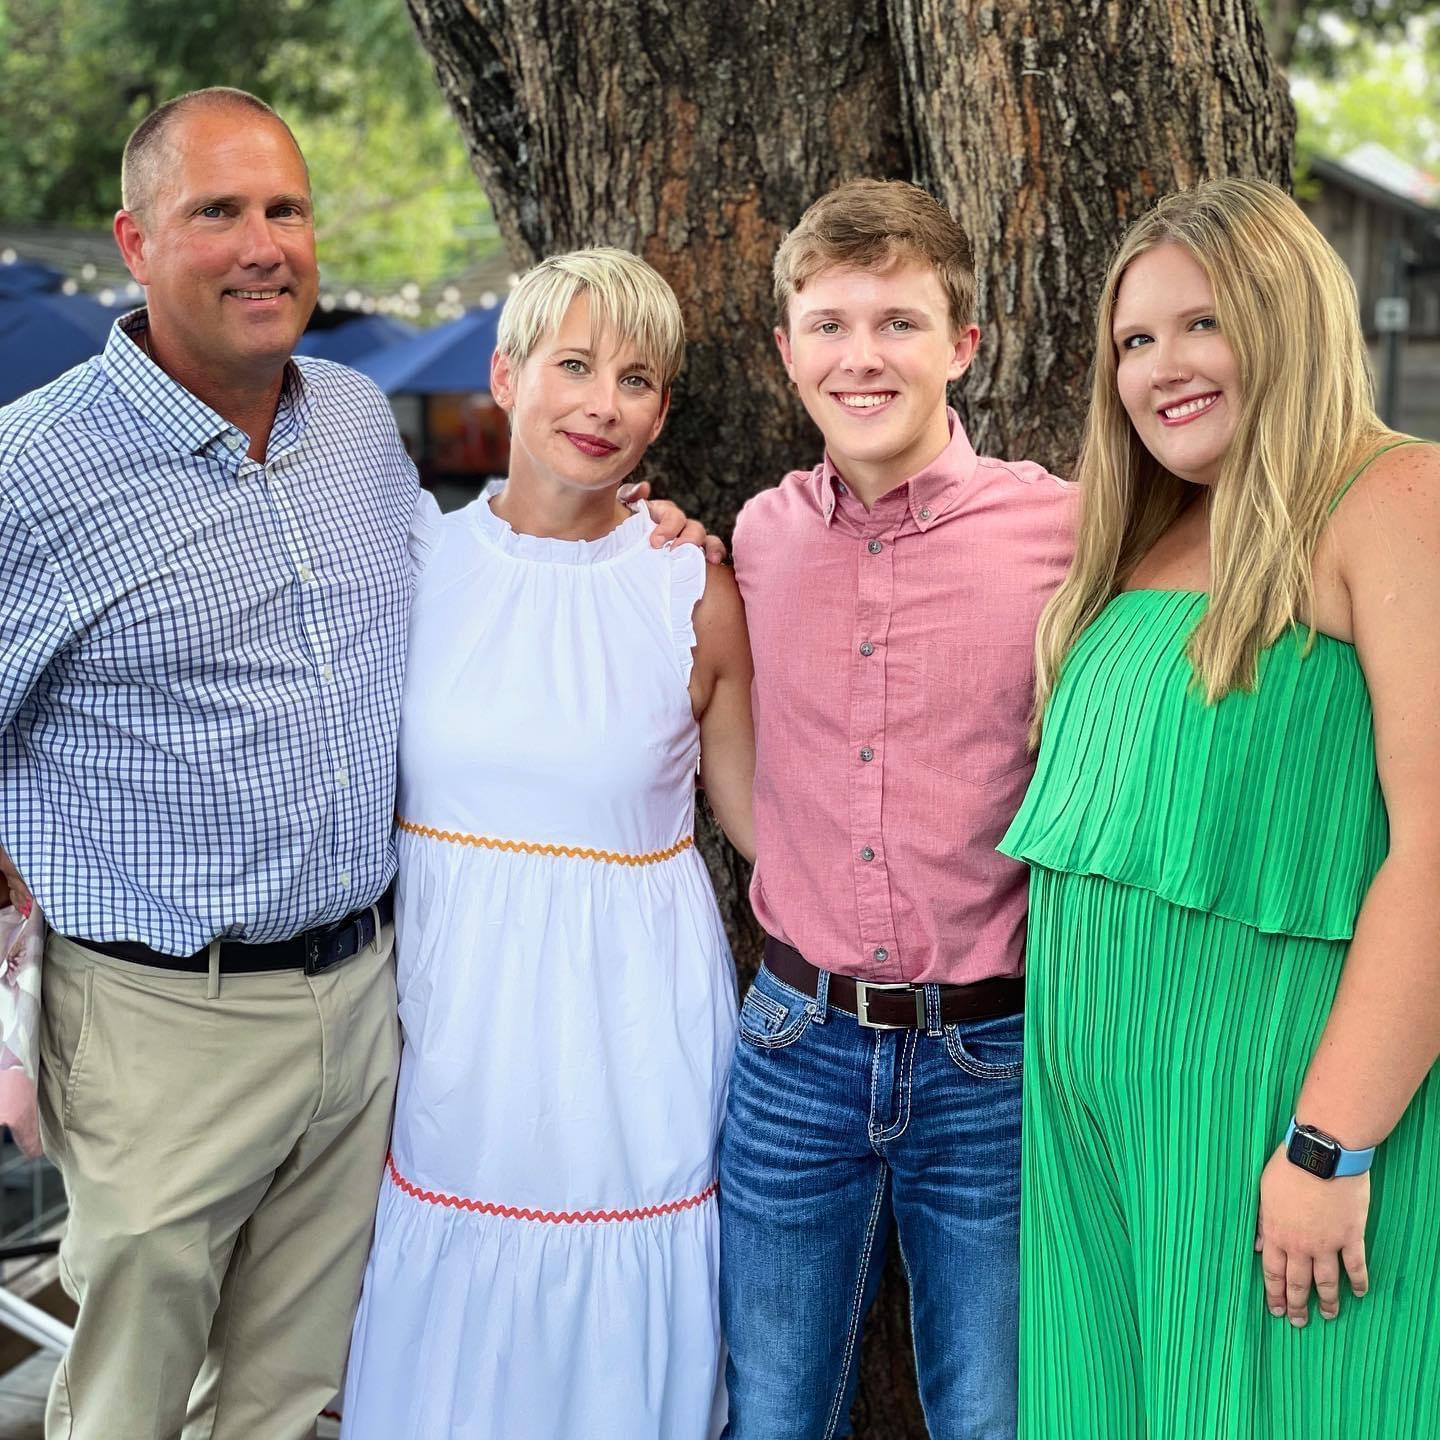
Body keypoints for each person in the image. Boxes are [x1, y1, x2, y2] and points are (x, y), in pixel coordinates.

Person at [0, 89, 711, 1440]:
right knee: (127, 1406)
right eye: (218, 211)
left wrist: (645, 533)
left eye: (286, 209)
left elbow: (500, 575)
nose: (263, 243)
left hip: (371, 1001)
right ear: (136, 240)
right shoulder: (34, 474)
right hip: (162, 1020)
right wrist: (5, 1015)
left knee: (289, 1397)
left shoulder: (352, 423)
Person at [1000, 178, 1440, 1437]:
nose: (1161, 368)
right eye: (1134, 341)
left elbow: (1436, 849)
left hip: (1277, 1125)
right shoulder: (1149, 537)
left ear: (1287, 317)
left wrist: (1329, 1143)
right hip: (1099, 1153)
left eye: (1201, 325)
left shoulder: (1395, 501)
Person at [339, 248, 754, 1440]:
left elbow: (772, 830)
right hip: (455, 1034)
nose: (601, 404)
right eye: (572, 366)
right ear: (505, 376)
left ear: (661, 411)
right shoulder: (412, 558)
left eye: (637, 380)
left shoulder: (691, 584)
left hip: (633, 1044)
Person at [722, 179, 1075, 1438]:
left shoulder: (1066, 533)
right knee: (772, 1416)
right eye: (828, 323)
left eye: (899, 322)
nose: (860, 356)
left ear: (963, 344)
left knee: (994, 1418)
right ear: (786, 349)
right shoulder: (751, 540)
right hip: (790, 1045)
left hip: (993, 1058)